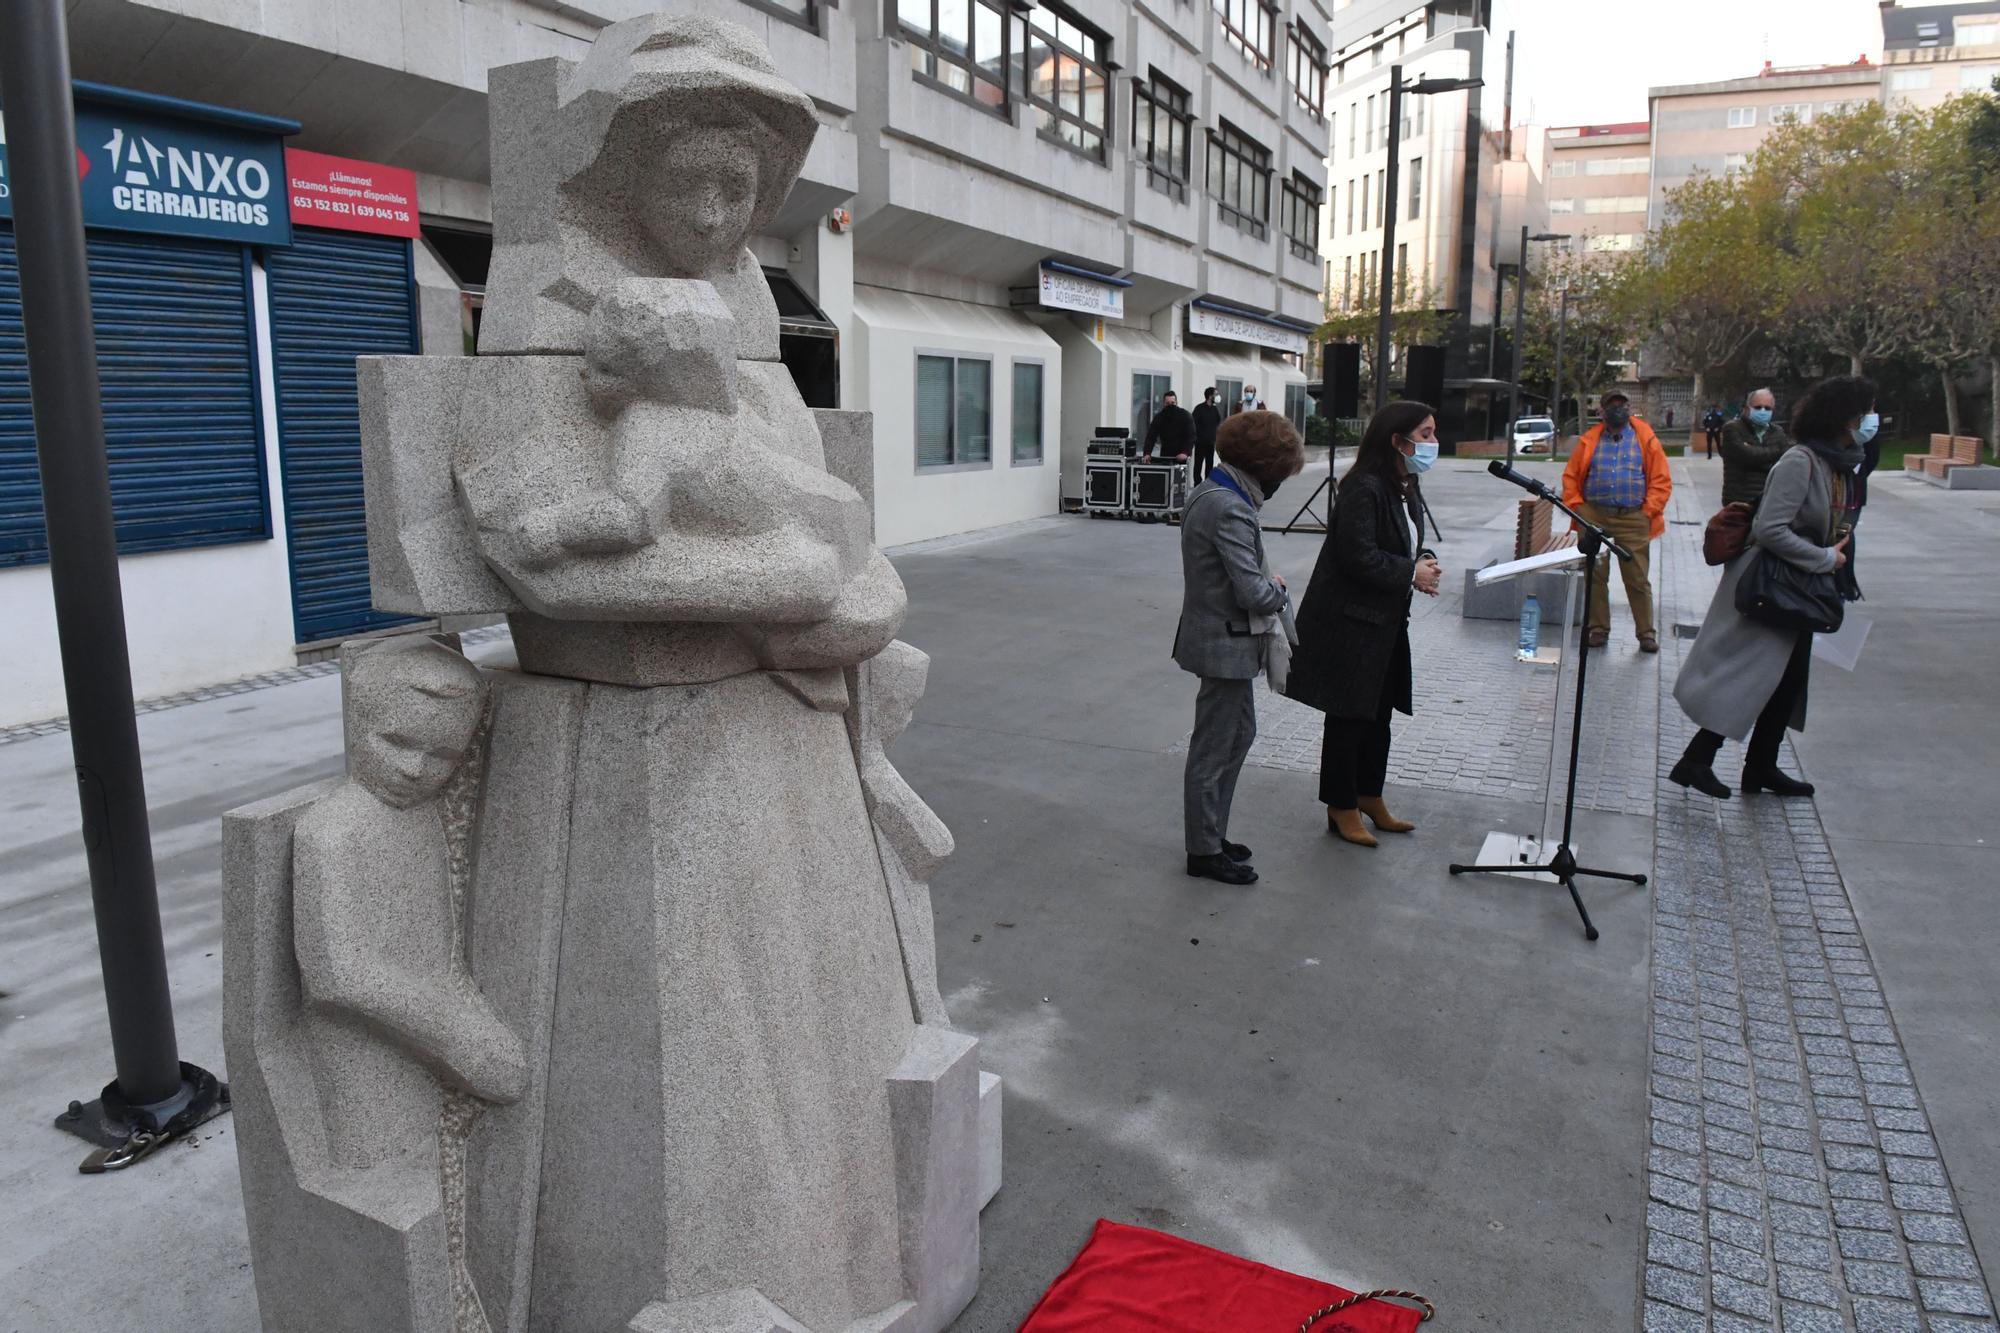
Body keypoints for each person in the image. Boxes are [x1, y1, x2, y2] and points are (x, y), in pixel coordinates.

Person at [1670, 375, 1873, 800]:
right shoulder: (1801, 461)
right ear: (1840, 417)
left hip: (1797, 586)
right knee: (1753, 676)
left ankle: (1754, 765)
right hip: (1773, 585)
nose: (1866, 421)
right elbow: (1770, 529)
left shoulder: (1833, 463)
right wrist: (1824, 558)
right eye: (1860, 414)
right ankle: (1700, 759)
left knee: (1784, 682)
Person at [1284, 401, 1442, 847]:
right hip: (1351, 624)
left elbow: (1402, 544)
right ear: (1397, 440)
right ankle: (1341, 806)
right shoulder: (1363, 488)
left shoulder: (1402, 484)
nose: (1433, 444)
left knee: (1379, 713)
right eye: (1426, 434)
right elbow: (1358, 556)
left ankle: (1369, 795)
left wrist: (1421, 562)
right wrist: (1410, 572)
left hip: (1386, 622)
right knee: (1349, 717)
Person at [1172, 410, 1308, 885]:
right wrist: (1280, 590)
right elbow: (1252, 592)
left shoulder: (1210, 491)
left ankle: (1212, 834)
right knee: (1214, 749)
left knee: (1237, 736)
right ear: (1264, 465)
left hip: (1219, 639)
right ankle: (1204, 851)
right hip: (1224, 643)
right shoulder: (1229, 506)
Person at [1562, 389, 1671, 652]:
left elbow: (1661, 480)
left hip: (1633, 517)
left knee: (1637, 577)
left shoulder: (1645, 438)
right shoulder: (1590, 440)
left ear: (1629, 407)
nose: (1618, 409)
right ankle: (1598, 629)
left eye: (1623, 404)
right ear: (1601, 411)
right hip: (1594, 516)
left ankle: (1646, 633)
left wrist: (1648, 512)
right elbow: (1571, 476)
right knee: (1595, 576)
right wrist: (1578, 508)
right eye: (1612, 405)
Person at [1718, 387, 1791, 506]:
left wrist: (1754, 452)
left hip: (1768, 502)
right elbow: (1747, 456)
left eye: (1767, 408)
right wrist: (1775, 452)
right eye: (1758, 407)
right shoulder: (1732, 428)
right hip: (1739, 503)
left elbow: (1785, 462)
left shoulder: (1778, 432)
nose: (1763, 411)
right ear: (1747, 408)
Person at [1141, 388, 1193, 463]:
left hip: (1182, 455)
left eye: (1172, 403)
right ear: (1163, 403)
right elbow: (1151, 436)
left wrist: (1185, 452)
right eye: (1167, 403)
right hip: (1165, 455)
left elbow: (1191, 436)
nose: (1170, 405)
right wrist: (1147, 453)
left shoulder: (1185, 416)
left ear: (1176, 402)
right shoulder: (1159, 417)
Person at [1191, 387, 1223, 481]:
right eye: (1215, 394)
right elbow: (1193, 424)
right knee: (1198, 464)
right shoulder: (1199, 408)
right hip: (1200, 442)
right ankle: (1197, 484)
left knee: (1209, 464)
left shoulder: (1215, 409)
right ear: (1210, 396)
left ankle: (1207, 483)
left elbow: (1218, 422)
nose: (1217, 396)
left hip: (1211, 442)